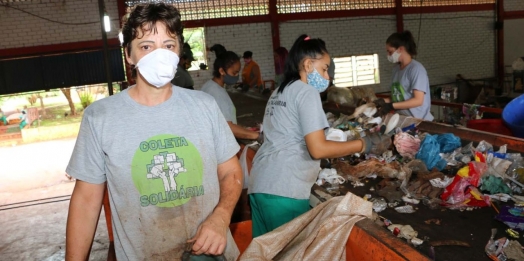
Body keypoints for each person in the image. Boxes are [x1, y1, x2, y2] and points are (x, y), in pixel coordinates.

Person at [65, 3, 242, 260]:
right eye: (146, 46)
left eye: (168, 45)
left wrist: (221, 217)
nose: (160, 54)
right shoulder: (101, 117)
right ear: (129, 55)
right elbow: (86, 201)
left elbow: (230, 171)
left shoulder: (204, 106)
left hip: (211, 254)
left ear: (179, 51)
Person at [247, 34, 388, 237]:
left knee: (266, 254)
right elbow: (318, 149)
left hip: (261, 185)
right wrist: (362, 144)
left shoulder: (279, 91)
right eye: (324, 69)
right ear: (307, 64)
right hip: (285, 191)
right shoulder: (306, 92)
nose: (327, 76)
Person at [201, 48, 260, 141]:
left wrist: (243, 129)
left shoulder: (209, 85)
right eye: (234, 72)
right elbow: (227, 127)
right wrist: (257, 136)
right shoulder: (217, 93)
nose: (236, 76)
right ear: (221, 71)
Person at [373, 30, 434, 121]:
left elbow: (418, 100)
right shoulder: (396, 70)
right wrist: (381, 101)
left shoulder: (416, 69)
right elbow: (397, 96)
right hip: (404, 119)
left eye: (390, 52)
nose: (388, 55)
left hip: (419, 121)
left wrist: (391, 106)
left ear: (400, 49)